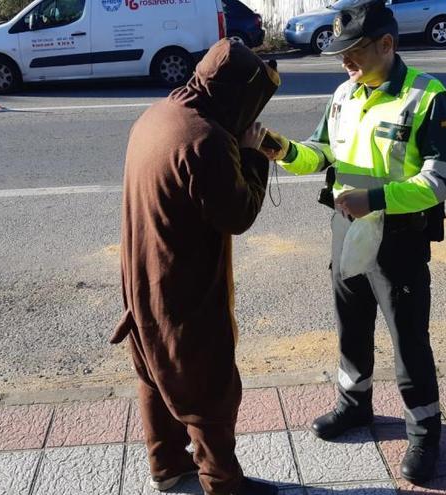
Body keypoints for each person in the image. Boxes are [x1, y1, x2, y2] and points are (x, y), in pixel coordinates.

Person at [261, 0, 446, 485]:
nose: (344, 61)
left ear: (387, 45)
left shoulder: (426, 96)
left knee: (409, 341)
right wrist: (274, 146)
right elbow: (320, 153)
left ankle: (424, 434)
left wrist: (376, 199)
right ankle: (354, 406)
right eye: (339, 53)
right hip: (346, 232)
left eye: (353, 51)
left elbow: (445, 177)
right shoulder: (344, 94)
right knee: (350, 328)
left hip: (400, 239)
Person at [110, 39, 281, 495]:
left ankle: (166, 466)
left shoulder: (160, 113)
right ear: (237, 95)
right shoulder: (205, 139)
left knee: (153, 370)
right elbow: (238, 214)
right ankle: (222, 483)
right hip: (182, 286)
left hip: (141, 279)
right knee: (209, 385)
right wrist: (252, 154)